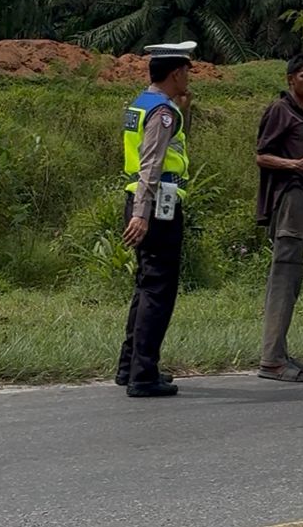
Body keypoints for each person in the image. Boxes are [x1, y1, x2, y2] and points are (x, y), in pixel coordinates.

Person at [115, 41, 197, 398]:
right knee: (159, 290)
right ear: (176, 72)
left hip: (138, 197)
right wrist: (142, 215)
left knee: (145, 285)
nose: (188, 78)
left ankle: (128, 365)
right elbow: (152, 163)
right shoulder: (162, 112)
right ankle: (144, 374)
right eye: (187, 72)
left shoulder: (141, 104)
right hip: (157, 204)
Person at [254, 54, 303, 383]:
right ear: (290, 79)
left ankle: (279, 351)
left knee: (293, 279)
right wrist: (295, 166)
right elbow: (261, 155)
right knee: (284, 276)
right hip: (288, 199)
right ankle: (271, 360)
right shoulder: (280, 110)